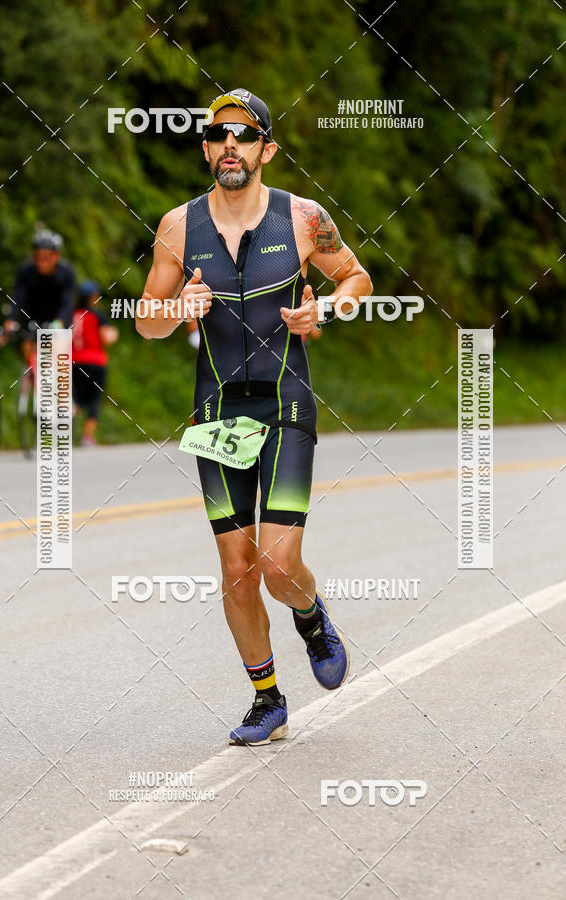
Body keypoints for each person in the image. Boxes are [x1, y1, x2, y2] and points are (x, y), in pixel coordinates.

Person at [137, 88, 372, 746]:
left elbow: (357, 279)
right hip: (216, 412)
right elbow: (147, 320)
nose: (230, 145)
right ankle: (267, 700)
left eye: (243, 134)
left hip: (285, 402)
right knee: (237, 569)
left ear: (266, 149)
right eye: (219, 135)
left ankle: (311, 618)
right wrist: (177, 309)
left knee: (276, 564)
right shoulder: (177, 227)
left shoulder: (304, 218)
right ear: (206, 150)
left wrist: (324, 310)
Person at [4, 229, 75, 362]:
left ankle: (58, 373)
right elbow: (18, 298)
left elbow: (67, 303)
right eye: (38, 256)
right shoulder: (25, 271)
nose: (42, 262)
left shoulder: (66, 273)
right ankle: (30, 371)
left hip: (57, 319)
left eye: (47, 257)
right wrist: (10, 320)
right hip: (32, 318)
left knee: (59, 354)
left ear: (57, 256)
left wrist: (59, 322)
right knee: (28, 349)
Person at [72, 280, 118, 446]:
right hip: (94, 362)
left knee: (76, 399)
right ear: (92, 297)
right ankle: (87, 437)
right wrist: (114, 333)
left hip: (73, 362)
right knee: (93, 399)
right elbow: (107, 338)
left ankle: (63, 431)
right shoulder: (97, 315)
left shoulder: (70, 314)